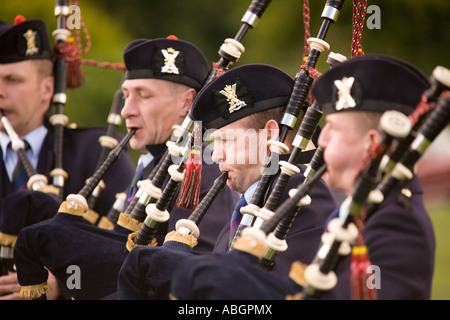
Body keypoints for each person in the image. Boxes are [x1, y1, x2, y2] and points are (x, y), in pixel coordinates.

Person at [170, 54, 436, 300]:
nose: (323, 139)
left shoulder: (398, 224)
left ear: (373, 144)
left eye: (333, 128)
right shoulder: (366, 212)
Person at [12, 35, 240, 300]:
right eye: (126, 95)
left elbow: (185, 287)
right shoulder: (153, 166)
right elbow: (115, 265)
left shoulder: (199, 174)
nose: (126, 111)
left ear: (186, 103)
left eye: (143, 96)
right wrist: (64, 284)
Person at [118, 63, 338, 299]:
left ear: (271, 135)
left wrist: (183, 271)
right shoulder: (247, 207)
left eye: (227, 141)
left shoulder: (303, 201)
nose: (215, 155)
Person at [0, 17, 135, 299]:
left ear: (47, 89)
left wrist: (64, 286)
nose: (0, 92)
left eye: (13, 80)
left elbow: (123, 260)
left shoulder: (97, 155)